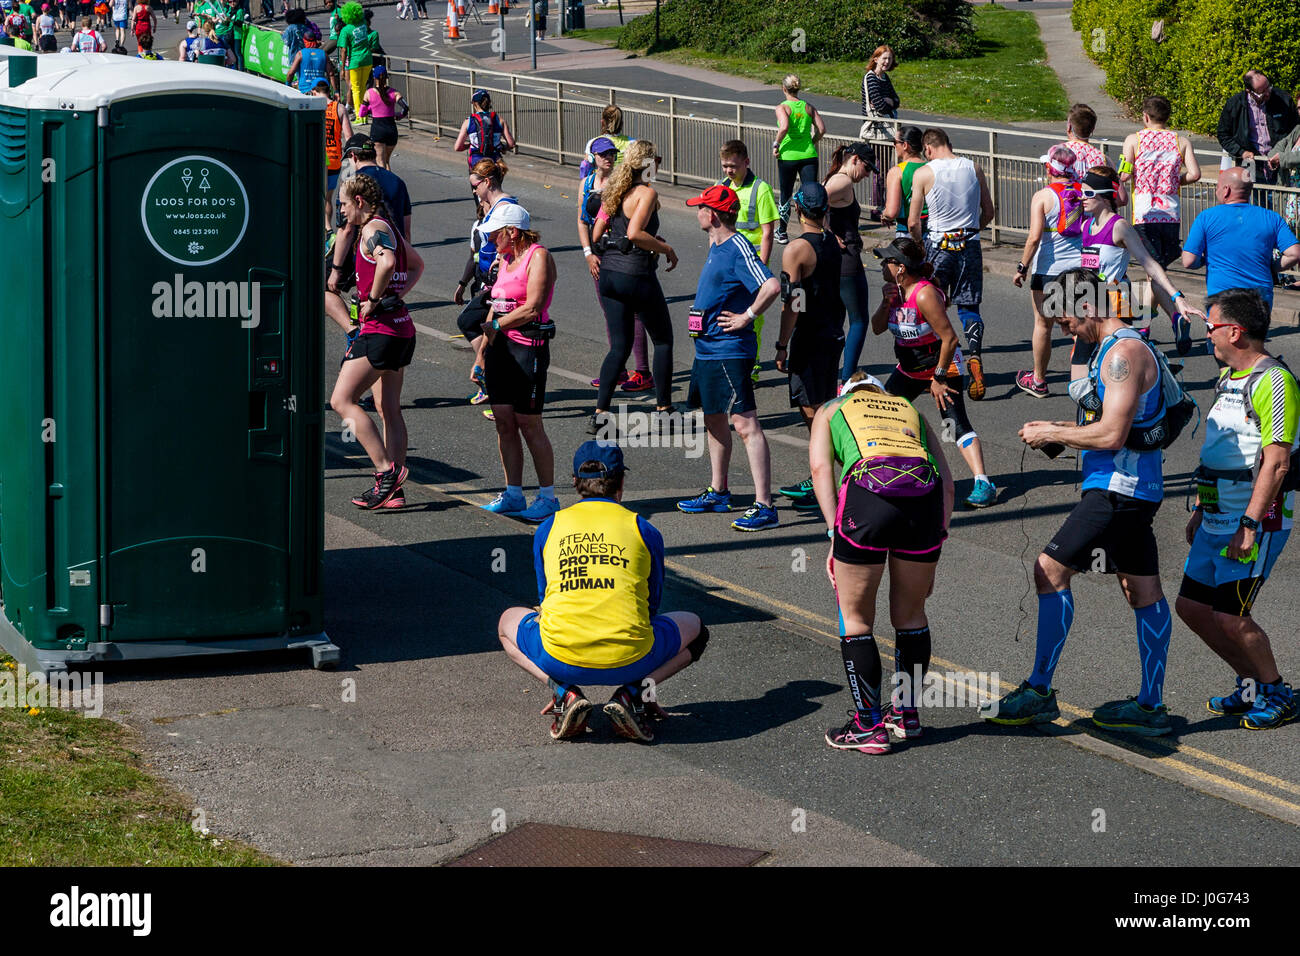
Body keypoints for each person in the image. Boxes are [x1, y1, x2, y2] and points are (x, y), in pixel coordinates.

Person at [983, 266, 1174, 736]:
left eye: (1064, 315)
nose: (1062, 324)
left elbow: (1112, 432)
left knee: (1048, 570)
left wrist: (1054, 431)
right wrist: (1063, 433)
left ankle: (1040, 690)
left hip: (1117, 491)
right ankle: (1150, 707)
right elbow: (1108, 424)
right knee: (1142, 589)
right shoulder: (1111, 349)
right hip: (1129, 491)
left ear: (1087, 306)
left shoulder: (1122, 354)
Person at [498, 440, 708, 743]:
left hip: (561, 657)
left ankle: (563, 693)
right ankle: (633, 694)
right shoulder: (643, 528)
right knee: (697, 629)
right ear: (621, 482)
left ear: (574, 482)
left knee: (507, 622)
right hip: (633, 657)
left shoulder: (549, 526)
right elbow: (652, 602)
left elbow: (545, 601)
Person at [812, 373, 954, 753]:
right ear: (880, 392)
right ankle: (906, 714)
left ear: (847, 393)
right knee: (911, 616)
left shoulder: (830, 409)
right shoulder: (909, 409)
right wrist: (937, 542)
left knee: (856, 619)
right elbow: (949, 482)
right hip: (924, 505)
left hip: (867, 501)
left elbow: (821, 470)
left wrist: (833, 532)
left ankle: (868, 726)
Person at [1177, 289, 1299, 729]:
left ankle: (1278, 691)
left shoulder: (1275, 382)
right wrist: (1199, 507)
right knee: (1192, 608)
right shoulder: (1227, 378)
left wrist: (1248, 524)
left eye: (1210, 327)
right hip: (1215, 514)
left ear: (1235, 331)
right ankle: (1250, 686)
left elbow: (1278, 461)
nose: (1207, 336)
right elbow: (1218, 452)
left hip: (1255, 521)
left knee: (1231, 614)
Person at [675, 183, 782, 532]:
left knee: (745, 424)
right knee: (713, 418)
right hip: (707, 349)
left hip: (728, 350)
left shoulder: (737, 246)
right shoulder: (716, 243)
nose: (697, 212)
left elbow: (771, 286)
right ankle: (718, 491)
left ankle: (764, 504)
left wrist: (746, 316)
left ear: (715, 214)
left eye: (701, 208)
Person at [871, 237, 997, 508]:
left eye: (887, 261)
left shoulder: (924, 294)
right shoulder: (892, 291)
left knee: (954, 424)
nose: (882, 265)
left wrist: (938, 378)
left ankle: (983, 483)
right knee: (882, 414)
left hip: (943, 365)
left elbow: (950, 339)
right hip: (909, 369)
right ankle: (899, 474)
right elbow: (877, 328)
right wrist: (884, 303)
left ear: (901, 268)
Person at [329, 173, 424, 510]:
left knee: (342, 400)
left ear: (359, 202)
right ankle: (393, 494)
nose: (340, 211)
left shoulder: (371, 230)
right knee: (389, 409)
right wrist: (393, 296)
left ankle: (386, 473)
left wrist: (373, 297)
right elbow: (417, 265)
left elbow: (385, 261)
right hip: (401, 327)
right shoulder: (390, 226)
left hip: (381, 332)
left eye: (343, 205)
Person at [478, 203, 562, 523]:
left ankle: (548, 497)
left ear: (512, 232)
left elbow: (534, 306)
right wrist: (482, 351)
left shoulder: (538, 256)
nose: (490, 241)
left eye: (495, 234)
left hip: (529, 348)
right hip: (501, 350)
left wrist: (497, 327)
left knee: (529, 423)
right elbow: (496, 306)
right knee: (503, 420)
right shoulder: (506, 259)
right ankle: (513, 493)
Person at [588, 139, 677, 434]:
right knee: (663, 340)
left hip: (609, 274)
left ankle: (600, 413)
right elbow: (635, 232)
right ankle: (664, 409)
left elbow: (597, 232)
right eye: (657, 161)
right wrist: (665, 248)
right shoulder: (646, 193)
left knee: (619, 347)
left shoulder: (614, 191)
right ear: (648, 165)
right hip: (635, 273)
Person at [1075, 165, 1200, 361]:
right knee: (1081, 372)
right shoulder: (1086, 226)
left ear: (1105, 196)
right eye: (1081, 192)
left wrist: (1176, 296)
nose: (1082, 197)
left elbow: (1148, 263)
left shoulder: (1119, 227)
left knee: (1115, 366)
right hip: (1089, 305)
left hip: (1114, 307)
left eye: (1088, 193)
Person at [772, 183, 845, 512]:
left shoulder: (797, 250)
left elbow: (793, 302)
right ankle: (824, 476)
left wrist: (782, 344)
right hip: (832, 333)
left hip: (811, 336)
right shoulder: (833, 241)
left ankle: (831, 479)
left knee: (812, 411)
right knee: (823, 406)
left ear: (798, 210)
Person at [910, 127, 995, 402]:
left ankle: (939, 368)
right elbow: (990, 211)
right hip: (968, 241)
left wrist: (919, 245)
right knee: (970, 306)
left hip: (938, 243)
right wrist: (973, 231)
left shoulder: (924, 172)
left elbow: (913, 221)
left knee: (934, 306)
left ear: (928, 148)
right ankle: (975, 355)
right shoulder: (974, 167)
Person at [578, 137, 653, 393]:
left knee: (634, 314)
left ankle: (642, 370)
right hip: (599, 255)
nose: (608, 157)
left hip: (620, 255)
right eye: (602, 154)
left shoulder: (624, 183)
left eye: (611, 153)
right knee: (612, 314)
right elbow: (582, 221)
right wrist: (588, 253)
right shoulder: (587, 184)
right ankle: (618, 369)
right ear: (593, 158)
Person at [1014, 145, 1084, 398]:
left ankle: (1039, 381)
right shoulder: (1083, 192)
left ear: (1049, 168)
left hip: (1049, 270)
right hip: (1080, 270)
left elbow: (1034, 238)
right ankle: (1091, 376)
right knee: (1081, 327)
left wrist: (1022, 267)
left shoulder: (1043, 196)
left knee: (1043, 325)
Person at [1181, 167, 1300, 312]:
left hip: (1222, 300)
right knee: (1254, 334)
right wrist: (1270, 267)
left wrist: (1205, 260)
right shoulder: (1272, 218)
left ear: (1226, 190)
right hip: (1260, 299)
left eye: (1217, 187)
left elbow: (1188, 261)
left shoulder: (1206, 217)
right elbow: (1294, 254)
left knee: (1222, 333)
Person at [718, 139, 780, 380]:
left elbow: (767, 233)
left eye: (733, 166)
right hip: (727, 265)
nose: (728, 171)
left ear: (746, 162)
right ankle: (731, 360)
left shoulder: (760, 189)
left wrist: (762, 268)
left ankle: (751, 366)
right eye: (725, 166)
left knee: (753, 317)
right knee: (725, 314)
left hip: (751, 266)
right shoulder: (722, 186)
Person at [458, 158, 517, 409]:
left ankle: (498, 385)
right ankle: (491, 378)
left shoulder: (507, 209)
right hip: (487, 283)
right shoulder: (491, 208)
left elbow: (515, 243)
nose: (474, 191)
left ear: (487, 182)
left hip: (500, 285)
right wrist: (464, 281)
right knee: (480, 327)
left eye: (475, 186)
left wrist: (502, 262)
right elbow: (479, 249)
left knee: (487, 330)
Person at [1121, 95, 1201, 271]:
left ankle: (1166, 297)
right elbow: (1195, 174)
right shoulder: (1181, 141)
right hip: (1170, 212)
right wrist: (1174, 181)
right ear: (1167, 117)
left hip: (1145, 211)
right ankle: (1160, 297)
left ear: (1146, 117)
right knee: (1160, 268)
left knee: (1153, 269)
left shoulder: (1134, 140)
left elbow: (1125, 174)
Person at [823, 142, 874, 381]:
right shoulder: (842, 181)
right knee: (859, 321)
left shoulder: (837, 178)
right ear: (854, 159)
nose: (867, 175)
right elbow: (805, 202)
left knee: (836, 320)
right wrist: (830, 234)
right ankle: (847, 378)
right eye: (866, 168)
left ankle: (830, 374)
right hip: (846, 261)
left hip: (835, 261)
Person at [1217, 70, 1297, 186]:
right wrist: (1241, 152)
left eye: (1268, 88)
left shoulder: (1283, 99)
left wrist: (1284, 153)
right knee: (1251, 198)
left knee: (1279, 200)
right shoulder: (1234, 104)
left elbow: (1295, 130)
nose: (1268, 93)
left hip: (1278, 163)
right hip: (1249, 164)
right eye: (1262, 92)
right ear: (1249, 91)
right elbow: (1223, 134)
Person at [772, 74, 825, 244]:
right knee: (811, 194)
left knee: (785, 193)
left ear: (783, 89)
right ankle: (815, 230)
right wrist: (812, 141)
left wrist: (776, 144)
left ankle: (782, 232)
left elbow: (784, 126)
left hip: (788, 155)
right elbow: (822, 129)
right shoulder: (808, 107)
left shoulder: (782, 107)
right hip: (809, 155)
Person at [860, 44, 899, 217]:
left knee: (884, 170)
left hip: (887, 131)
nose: (887, 62)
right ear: (875, 59)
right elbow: (881, 106)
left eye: (889, 59)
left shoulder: (885, 78)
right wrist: (887, 102)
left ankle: (882, 205)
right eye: (884, 58)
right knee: (878, 170)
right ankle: (876, 208)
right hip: (876, 130)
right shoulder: (871, 78)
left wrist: (889, 101)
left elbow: (896, 100)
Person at [1051, 103, 1121, 195]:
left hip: (1067, 207)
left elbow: (1053, 189)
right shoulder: (1104, 159)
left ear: (1069, 126)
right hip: (1094, 207)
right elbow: (1122, 199)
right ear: (1092, 129)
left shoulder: (1058, 152)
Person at [315, 80, 351, 232]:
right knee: (328, 198)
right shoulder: (340, 108)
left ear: (315, 92)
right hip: (335, 158)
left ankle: (325, 229)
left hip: (319, 157)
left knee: (318, 196)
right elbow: (349, 136)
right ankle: (328, 229)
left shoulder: (314, 107)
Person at [360, 65, 409, 170]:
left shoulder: (369, 93)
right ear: (386, 77)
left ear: (374, 78)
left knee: (380, 162)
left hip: (378, 129)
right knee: (386, 161)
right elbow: (405, 107)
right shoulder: (394, 93)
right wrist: (399, 116)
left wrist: (371, 108)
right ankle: (390, 182)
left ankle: (384, 184)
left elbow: (361, 113)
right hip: (391, 129)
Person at [454, 89, 517, 170]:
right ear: (489, 103)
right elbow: (511, 144)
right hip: (495, 160)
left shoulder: (468, 121)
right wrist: (503, 148)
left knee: (475, 180)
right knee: (498, 177)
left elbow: (457, 147)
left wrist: (468, 145)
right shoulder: (500, 120)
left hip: (476, 160)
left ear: (474, 104)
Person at [881, 125, 926, 237]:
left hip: (907, 230)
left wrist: (884, 215)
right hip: (931, 230)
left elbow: (892, 212)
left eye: (894, 142)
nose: (894, 146)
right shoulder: (931, 168)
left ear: (905, 145)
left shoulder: (897, 171)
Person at [288, 22, 336, 96]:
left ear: (304, 41)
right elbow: (331, 73)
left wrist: (287, 85)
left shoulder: (300, 54)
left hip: (305, 91)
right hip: (321, 91)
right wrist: (336, 92)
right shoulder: (323, 53)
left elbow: (291, 73)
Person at [579, 104, 629, 175]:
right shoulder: (632, 143)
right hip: (622, 183)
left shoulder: (593, 143)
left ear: (602, 122)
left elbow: (585, 168)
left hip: (600, 182)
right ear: (621, 123)